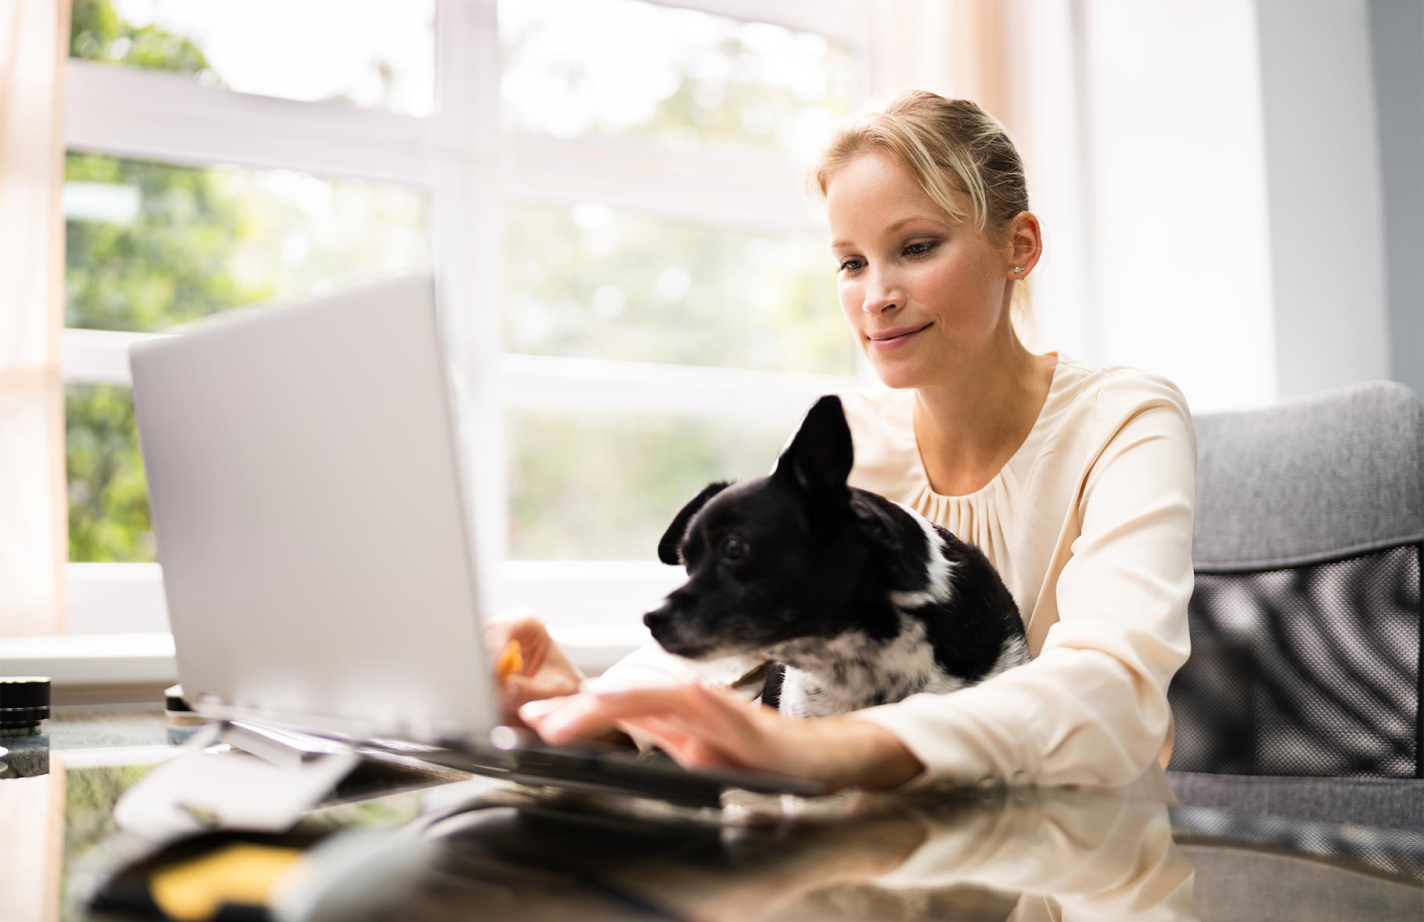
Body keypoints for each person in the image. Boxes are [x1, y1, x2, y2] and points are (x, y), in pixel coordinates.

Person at [485, 90, 1196, 794]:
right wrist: (583, 711)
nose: (876, 294)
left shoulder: (1125, 420)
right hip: (896, 851)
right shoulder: (850, 437)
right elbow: (742, 625)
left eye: (916, 248)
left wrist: (834, 749)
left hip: (1086, 857)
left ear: (1019, 246)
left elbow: (1113, 687)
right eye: (851, 263)